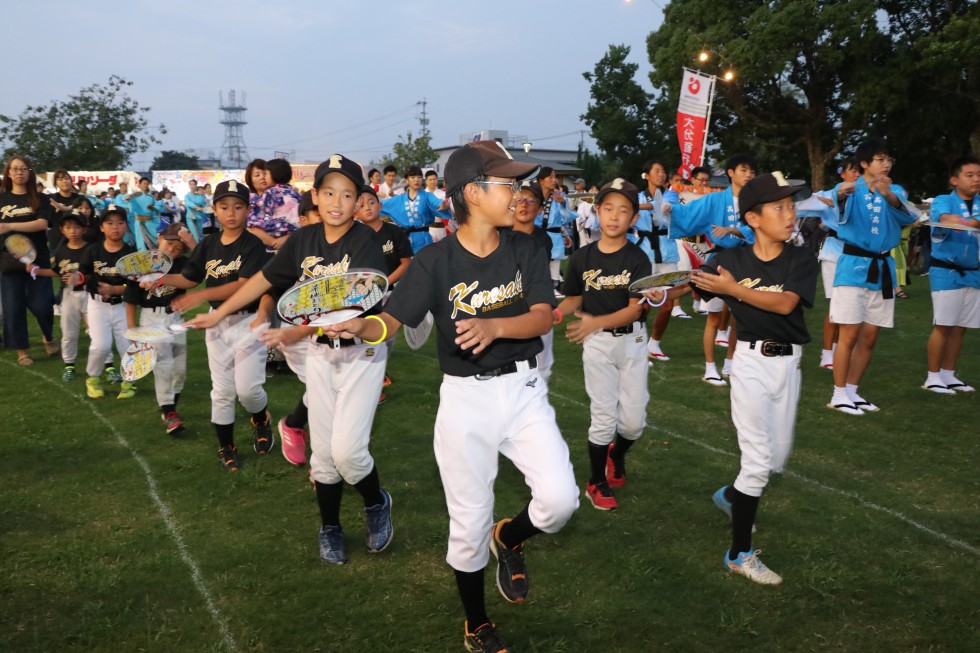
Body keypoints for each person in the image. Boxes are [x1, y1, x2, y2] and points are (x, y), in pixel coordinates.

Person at [324, 141, 579, 652]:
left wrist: (494, 326)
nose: (518, 192)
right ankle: (477, 623)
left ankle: (509, 538)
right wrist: (360, 327)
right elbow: (392, 321)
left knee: (559, 503)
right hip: (467, 401)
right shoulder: (434, 260)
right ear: (472, 193)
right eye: (506, 183)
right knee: (468, 521)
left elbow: (542, 315)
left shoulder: (528, 247)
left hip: (526, 390)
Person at [187, 157, 394, 564]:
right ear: (315, 196)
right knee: (324, 458)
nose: (338, 201)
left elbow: (357, 304)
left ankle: (375, 502)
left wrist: (297, 330)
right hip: (320, 354)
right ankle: (330, 527)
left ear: (359, 201)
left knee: (348, 453)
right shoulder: (303, 241)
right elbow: (264, 280)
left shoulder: (364, 241)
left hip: (361, 356)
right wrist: (218, 312)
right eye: (329, 192)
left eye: (348, 194)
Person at [686, 172, 818, 585]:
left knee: (775, 461)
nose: (790, 213)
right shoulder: (731, 260)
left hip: (788, 365)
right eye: (779, 207)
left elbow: (785, 304)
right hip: (749, 366)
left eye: (792, 206)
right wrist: (666, 292)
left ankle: (731, 496)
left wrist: (734, 289)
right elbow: (694, 288)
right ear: (753, 218)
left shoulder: (800, 257)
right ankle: (739, 554)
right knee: (758, 462)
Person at [154, 180, 273, 470]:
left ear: (247, 209)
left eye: (238, 206)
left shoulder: (253, 245)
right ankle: (226, 445)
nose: (231, 213)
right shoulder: (208, 243)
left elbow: (244, 286)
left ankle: (260, 416)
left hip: (249, 319)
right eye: (224, 207)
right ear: (214, 209)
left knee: (247, 390)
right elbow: (191, 277)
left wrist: (201, 294)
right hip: (216, 322)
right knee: (221, 390)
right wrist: (161, 279)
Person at [557, 178, 651, 512]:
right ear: (596, 211)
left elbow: (635, 307)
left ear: (634, 218)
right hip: (596, 343)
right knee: (603, 417)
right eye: (607, 208)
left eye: (623, 210)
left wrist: (593, 321)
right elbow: (573, 298)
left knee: (633, 422)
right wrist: (555, 313)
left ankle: (617, 453)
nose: (614, 216)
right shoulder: (582, 257)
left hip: (633, 340)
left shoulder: (638, 258)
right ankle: (596, 481)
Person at [828, 138, 917, 414]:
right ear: (864, 164)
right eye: (879, 159)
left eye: (888, 159)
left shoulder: (896, 190)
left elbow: (909, 217)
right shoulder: (850, 190)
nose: (886, 163)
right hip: (853, 267)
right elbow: (838, 196)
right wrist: (849, 189)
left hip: (883, 270)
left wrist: (887, 194)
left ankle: (853, 391)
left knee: (869, 337)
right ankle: (839, 392)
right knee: (849, 335)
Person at [668, 153, 757, 385]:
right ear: (730, 173)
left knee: (739, 317)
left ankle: (731, 363)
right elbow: (689, 212)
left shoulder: (755, 201)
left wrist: (735, 231)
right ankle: (710, 367)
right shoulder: (715, 200)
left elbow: (760, 228)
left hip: (745, 260)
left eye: (751, 172)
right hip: (720, 259)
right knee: (714, 318)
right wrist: (670, 207)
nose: (748, 175)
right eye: (743, 170)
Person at [124, 224, 191, 434]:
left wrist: (190, 242)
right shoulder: (142, 265)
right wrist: (133, 329)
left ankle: (169, 406)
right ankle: (169, 412)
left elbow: (204, 267)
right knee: (163, 366)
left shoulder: (183, 264)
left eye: (178, 248)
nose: (172, 250)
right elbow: (130, 301)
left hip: (175, 318)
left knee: (179, 370)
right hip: (151, 319)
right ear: (159, 238)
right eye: (169, 244)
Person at [922, 155, 979, 394]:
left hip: (974, 272)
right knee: (944, 324)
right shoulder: (943, 201)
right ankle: (933, 376)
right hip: (945, 270)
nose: (976, 179)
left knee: (960, 327)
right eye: (970, 175)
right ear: (954, 180)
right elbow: (945, 219)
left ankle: (949, 374)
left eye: (979, 175)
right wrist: (970, 221)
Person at [0, 155, 58, 365]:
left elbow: (42, 224)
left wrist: (9, 226)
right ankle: (22, 350)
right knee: (13, 307)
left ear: (30, 172)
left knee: (42, 305)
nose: (19, 172)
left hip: (38, 260)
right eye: (15, 169)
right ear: (8, 173)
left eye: (23, 169)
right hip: (10, 261)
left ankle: (48, 336)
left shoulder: (40, 199)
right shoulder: (2, 199)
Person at [357, 184, 412, 403]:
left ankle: (378, 375)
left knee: (387, 339)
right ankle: (373, 384)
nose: (367, 208)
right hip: (365, 297)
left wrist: (384, 283)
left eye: (371, 202)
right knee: (368, 339)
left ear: (380, 205)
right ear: (354, 210)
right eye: (361, 204)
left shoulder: (394, 232)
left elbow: (406, 263)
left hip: (391, 294)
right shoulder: (355, 235)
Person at [79, 204, 137, 399]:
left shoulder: (131, 253)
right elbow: (84, 274)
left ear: (126, 226)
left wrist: (116, 289)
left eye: (120, 222)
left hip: (122, 306)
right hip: (97, 305)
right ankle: (93, 378)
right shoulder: (92, 251)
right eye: (110, 223)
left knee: (126, 346)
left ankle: (129, 382)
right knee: (100, 346)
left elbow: (136, 285)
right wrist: (77, 278)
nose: (115, 227)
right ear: (101, 227)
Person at [635, 159, 687, 362]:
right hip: (645, 251)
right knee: (643, 303)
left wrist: (635, 205)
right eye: (657, 171)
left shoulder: (671, 194)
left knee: (667, 303)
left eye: (663, 171)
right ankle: (638, 345)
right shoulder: (637, 195)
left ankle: (654, 343)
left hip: (667, 251)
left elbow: (663, 206)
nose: (661, 174)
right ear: (646, 175)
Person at [29, 208, 89, 381]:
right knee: (69, 332)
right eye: (68, 227)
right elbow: (56, 271)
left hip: (89, 295)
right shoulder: (61, 251)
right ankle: (69, 365)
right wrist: (37, 271)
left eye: (77, 227)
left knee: (97, 332)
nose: (72, 231)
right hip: (68, 295)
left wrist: (82, 278)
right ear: (62, 230)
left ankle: (108, 366)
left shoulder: (92, 250)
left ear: (84, 229)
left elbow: (96, 273)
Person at [815, 158, 860, 369]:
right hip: (834, 252)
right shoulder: (824, 195)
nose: (857, 174)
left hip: (857, 254)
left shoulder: (863, 196)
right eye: (853, 171)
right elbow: (804, 207)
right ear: (842, 173)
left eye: (860, 171)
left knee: (850, 306)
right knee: (836, 305)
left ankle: (840, 349)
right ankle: (827, 353)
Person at [513, 180, 557, 382]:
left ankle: (539, 404)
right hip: (508, 305)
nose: (524, 204)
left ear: (540, 209)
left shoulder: (543, 239)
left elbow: (540, 276)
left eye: (531, 200)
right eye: (520, 199)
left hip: (536, 303)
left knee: (542, 365)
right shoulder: (499, 234)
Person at [380, 165, 451, 253]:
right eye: (413, 177)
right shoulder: (400, 199)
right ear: (407, 180)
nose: (416, 180)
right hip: (406, 239)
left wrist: (442, 205)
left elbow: (437, 202)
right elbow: (381, 204)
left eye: (419, 177)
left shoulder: (427, 196)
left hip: (424, 238)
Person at [533, 167, 577, 295]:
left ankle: (554, 288)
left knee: (554, 263)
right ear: (541, 180)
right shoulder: (534, 196)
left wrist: (563, 203)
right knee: (538, 264)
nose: (554, 180)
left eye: (555, 177)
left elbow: (569, 217)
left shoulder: (559, 196)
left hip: (554, 235)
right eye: (550, 177)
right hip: (537, 234)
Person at [248, 158, 302, 252]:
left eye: (265, 174)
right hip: (292, 227)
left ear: (274, 175)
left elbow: (261, 209)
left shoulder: (270, 193)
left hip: (278, 228)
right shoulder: (294, 192)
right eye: (258, 175)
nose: (263, 177)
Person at [126, 177, 159, 251]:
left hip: (149, 222)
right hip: (139, 222)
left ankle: (154, 258)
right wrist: (129, 200)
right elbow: (130, 206)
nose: (146, 185)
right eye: (144, 183)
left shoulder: (151, 197)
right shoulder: (134, 195)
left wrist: (153, 207)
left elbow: (157, 208)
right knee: (141, 242)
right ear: (139, 184)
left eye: (147, 184)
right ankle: (142, 258)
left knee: (153, 240)